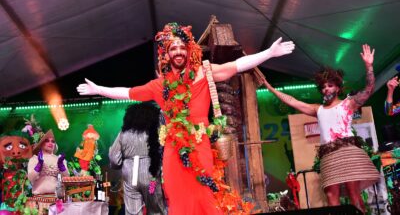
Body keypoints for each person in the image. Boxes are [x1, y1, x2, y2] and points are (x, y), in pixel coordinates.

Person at [77, 22, 294, 214]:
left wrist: (269, 53)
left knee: (203, 196)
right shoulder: (159, 86)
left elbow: (235, 66)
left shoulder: (204, 72)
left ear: (189, 50)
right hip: (173, 150)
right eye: (173, 48)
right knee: (177, 198)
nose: (179, 51)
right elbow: (128, 92)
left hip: (200, 147)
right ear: (166, 54)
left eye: (182, 47)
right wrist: (99, 89)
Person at [262, 44, 379, 212]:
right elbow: (292, 101)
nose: (326, 89)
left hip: (347, 152)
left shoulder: (349, 103)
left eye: (330, 85)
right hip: (328, 155)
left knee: (354, 194)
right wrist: (269, 86)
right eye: (323, 87)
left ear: (338, 87)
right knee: (331, 196)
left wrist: (369, 66)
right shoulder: (318, 109)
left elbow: (369, 89)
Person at [109, 102, 166, 215]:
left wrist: (120, 164)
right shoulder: (156, 130)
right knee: (156, 210)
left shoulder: (124, 133)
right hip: (151, 173)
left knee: (132, 212)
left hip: (130, 176)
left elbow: (114, 158)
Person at [27, 130, 69, 202]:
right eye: (47, 141)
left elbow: (67, 179)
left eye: (53, 141)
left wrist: (61, 166)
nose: (50, 143)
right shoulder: (34, 159)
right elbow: (31, 178)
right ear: (41, 144)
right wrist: (39, 165)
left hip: (57, 199)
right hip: (39, 199)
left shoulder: (59, 159)